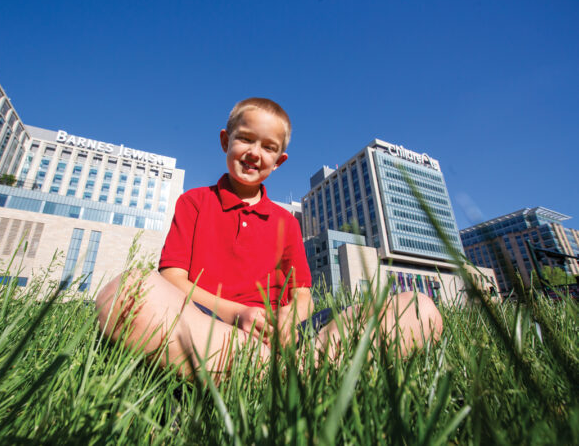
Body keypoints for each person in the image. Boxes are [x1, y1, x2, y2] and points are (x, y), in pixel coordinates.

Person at [96, 97, 443, 377]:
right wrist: (238, 315)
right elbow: (171, 279)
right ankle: (285, 371)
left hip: (288, 334)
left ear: (279, 161)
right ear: (224, 141)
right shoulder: (195, 202)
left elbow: (302, 293)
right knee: (124, 294)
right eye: (245, 138)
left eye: (268, 147)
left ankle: (301, 363)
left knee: (420, 309)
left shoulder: (286, 222)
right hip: (209, 321)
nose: (254, 152)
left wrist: (291, 321)